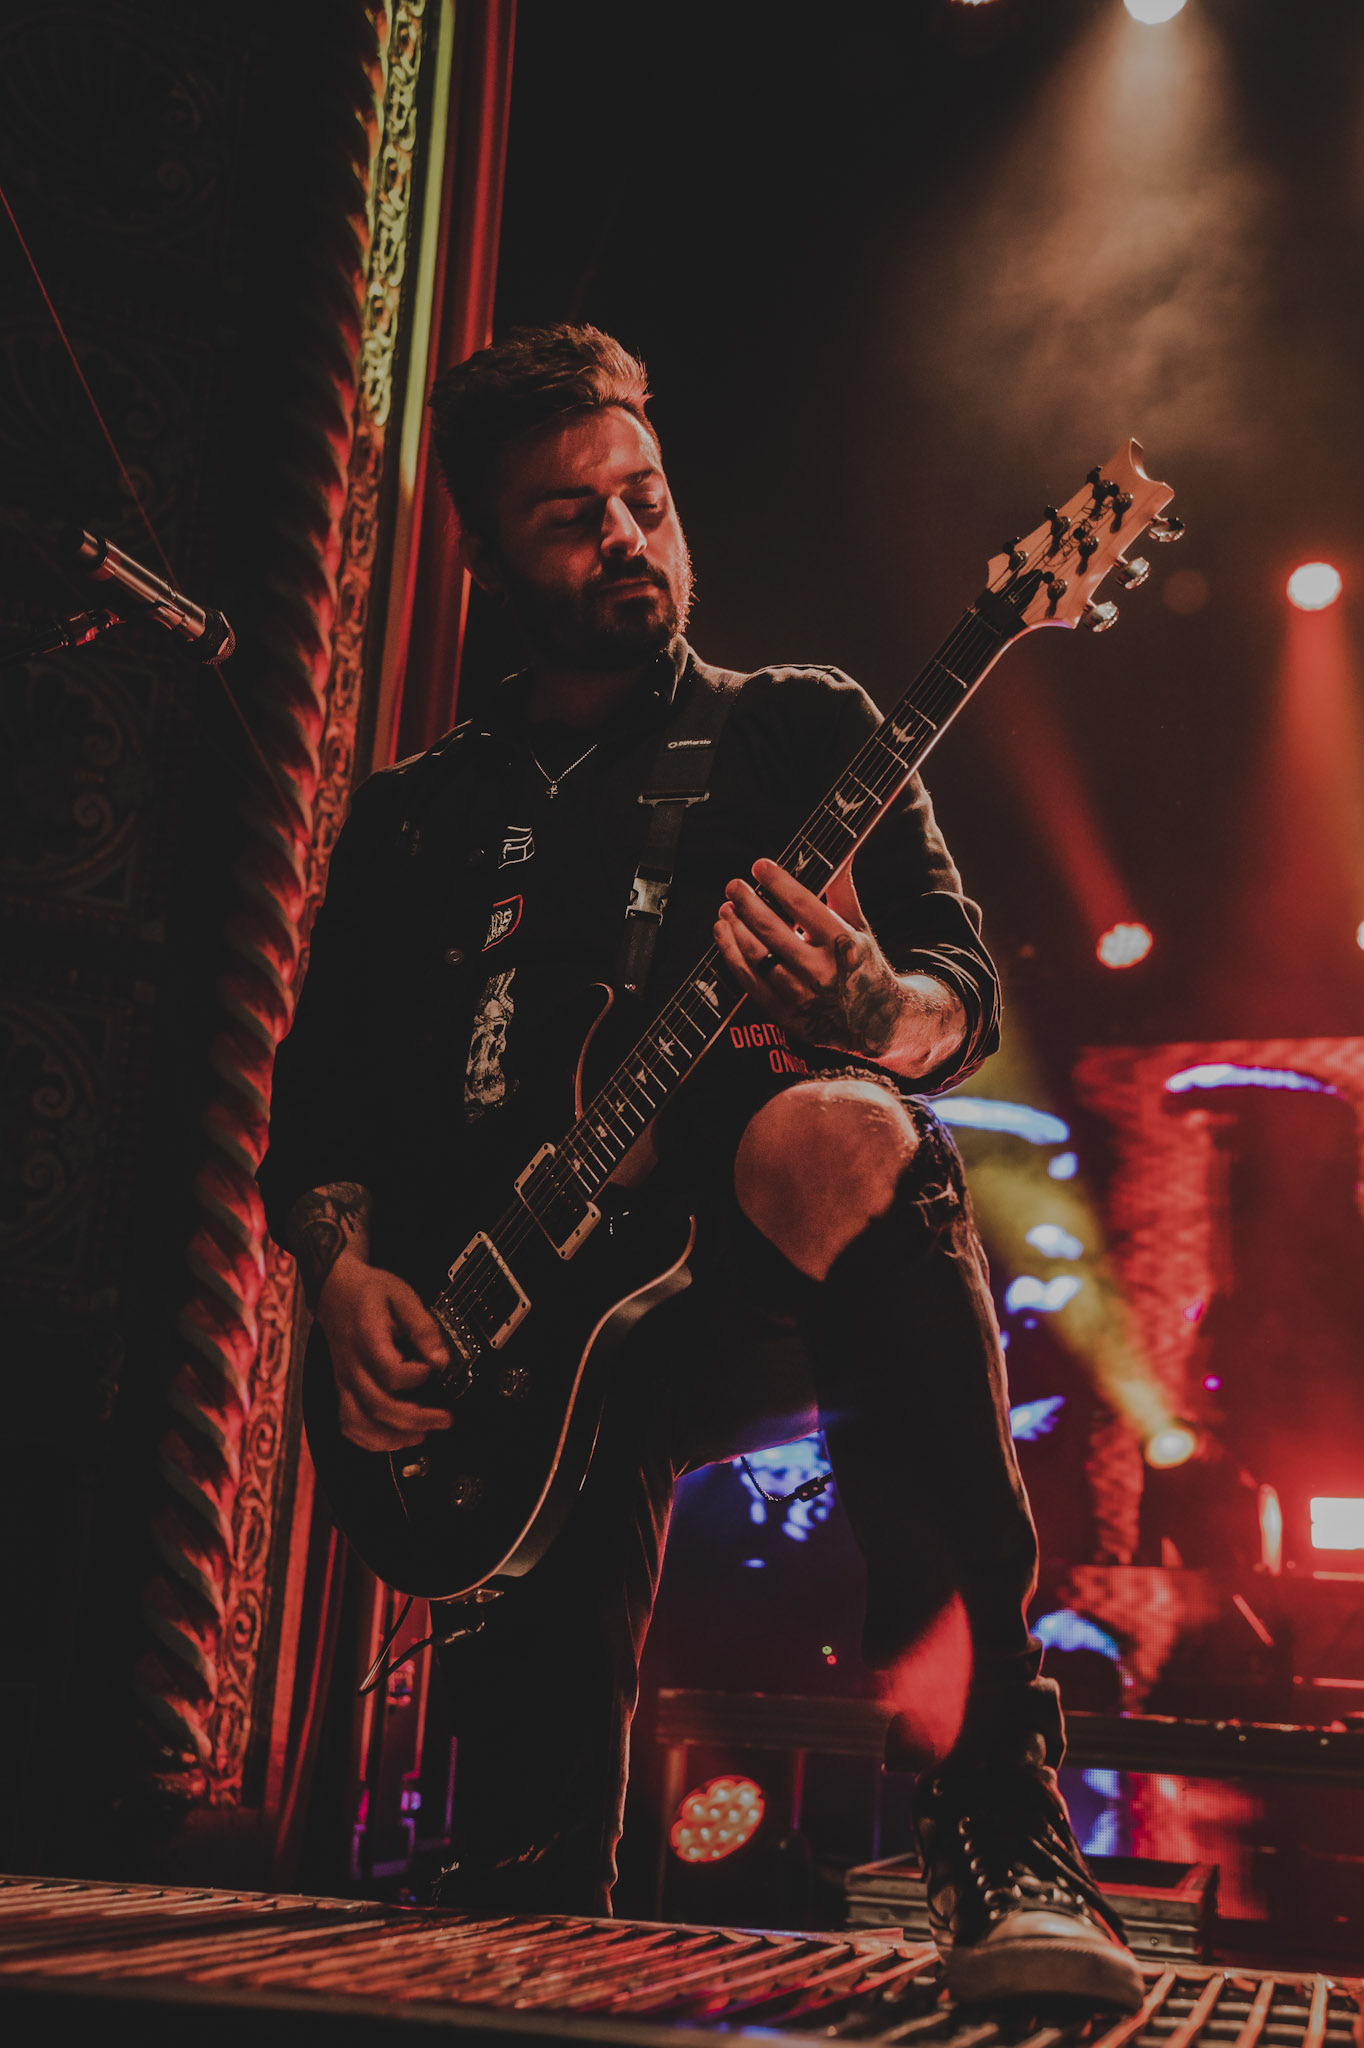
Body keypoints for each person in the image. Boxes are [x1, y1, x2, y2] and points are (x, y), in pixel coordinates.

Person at [258, 325, 1142, 2008]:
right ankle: (522, 1904)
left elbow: (958, 992)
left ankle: (996, 1818)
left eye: (645, 500)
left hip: (751, 1264)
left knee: (845, 1126)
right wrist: (344, 1269)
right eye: (570, 518)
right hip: (512, 1337)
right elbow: (325, 1097)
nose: (626, 540)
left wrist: (877, 1009)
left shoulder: (799, 726)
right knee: (518, 1907)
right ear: (485, 555)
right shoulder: (416, 815)